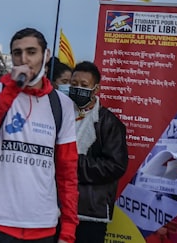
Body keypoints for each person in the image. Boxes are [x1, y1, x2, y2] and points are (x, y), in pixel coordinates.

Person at [0, 27, 78, 243]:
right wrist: (10, 91)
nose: (24, 59)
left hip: (43, 225)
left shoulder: (62, 105)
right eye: (17, 53)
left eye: (31, 52)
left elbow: (68, 173)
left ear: (46, 56)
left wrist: (68, 230)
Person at [69, 61, 127, 243]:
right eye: (73, 85)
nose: (78, 89)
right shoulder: (60, 115)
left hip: (89, 213)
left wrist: (73, 163)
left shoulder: (108, 123)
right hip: (56, 209)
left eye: (84, 86)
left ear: (95, 89)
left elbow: (115, 166)